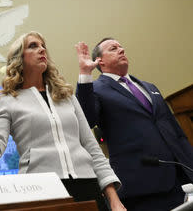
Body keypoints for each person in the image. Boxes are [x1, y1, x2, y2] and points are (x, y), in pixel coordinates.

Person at [0, 31, 126, 211]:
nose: (42, 49)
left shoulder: (65, 94)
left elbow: (91, 147)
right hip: (41, 189)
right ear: (19, 57)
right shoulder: (7, 99)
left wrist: (114, 199)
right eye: (33, 46)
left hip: (88, 185)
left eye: (43, 46)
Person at [75, 38, 193, 211]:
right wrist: (85, 74)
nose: (122, 50)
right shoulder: (96, 89)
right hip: (140, 187)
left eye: (122, 47)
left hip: (176, 182)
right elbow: (86, 120)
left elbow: (175, 131)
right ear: (100, 61)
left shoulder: (149, 87)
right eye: (114, 48)